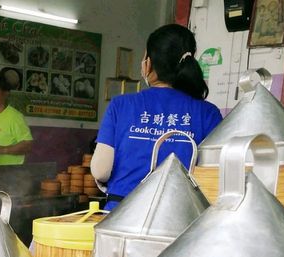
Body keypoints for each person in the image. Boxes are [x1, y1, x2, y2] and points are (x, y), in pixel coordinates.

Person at [91, 24, 222, 210]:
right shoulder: (209, 113)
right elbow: (214, 178)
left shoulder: (121, 105)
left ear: (149, 63)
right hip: (180, 219)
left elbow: (101, 170)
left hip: (121, 216)